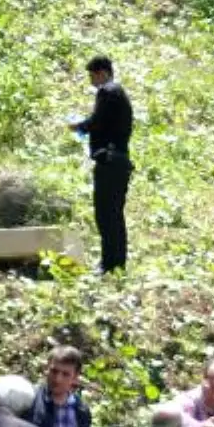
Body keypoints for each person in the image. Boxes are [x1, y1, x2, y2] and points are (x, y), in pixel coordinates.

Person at [68, 55, 133, 274]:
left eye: (92, 75)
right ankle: (117, 263)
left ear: (102, 73)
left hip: (110, 161)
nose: (91, 81)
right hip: (119, 161)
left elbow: (97, 121)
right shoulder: (118, 93)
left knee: (106, 214)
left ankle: (109, 264)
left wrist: (79, 126)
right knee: (114, 214)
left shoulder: (108, 92)